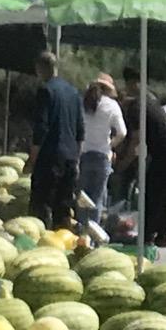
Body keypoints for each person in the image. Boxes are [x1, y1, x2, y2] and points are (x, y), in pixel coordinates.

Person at [116, 71, 166, 244]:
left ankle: (147, 235)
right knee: (165, 194)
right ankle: (162, 234)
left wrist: (124, 163)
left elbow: (136, 140)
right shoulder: (151, 102)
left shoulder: (138, 107)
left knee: (152, 194)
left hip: (163, 154)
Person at [29, 51, 83, 229]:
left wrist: (33, 158)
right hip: (70, 157)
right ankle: (62, 243)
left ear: (40, 68)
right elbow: (80, 130)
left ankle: (42, 244)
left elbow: (41, 128)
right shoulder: (74, 92)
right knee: (64, 207)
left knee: (42, 206)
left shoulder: (46, 90)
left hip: (50, 157)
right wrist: (76, 159)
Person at [80, 73, 126, 223]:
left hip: (84, 154)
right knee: (97, 199)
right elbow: (122, 132)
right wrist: (110, 145)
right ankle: (93, 237)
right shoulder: (112, 106)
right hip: (102, 156)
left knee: (83, 198)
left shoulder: (84, 103)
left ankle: (81, 233)